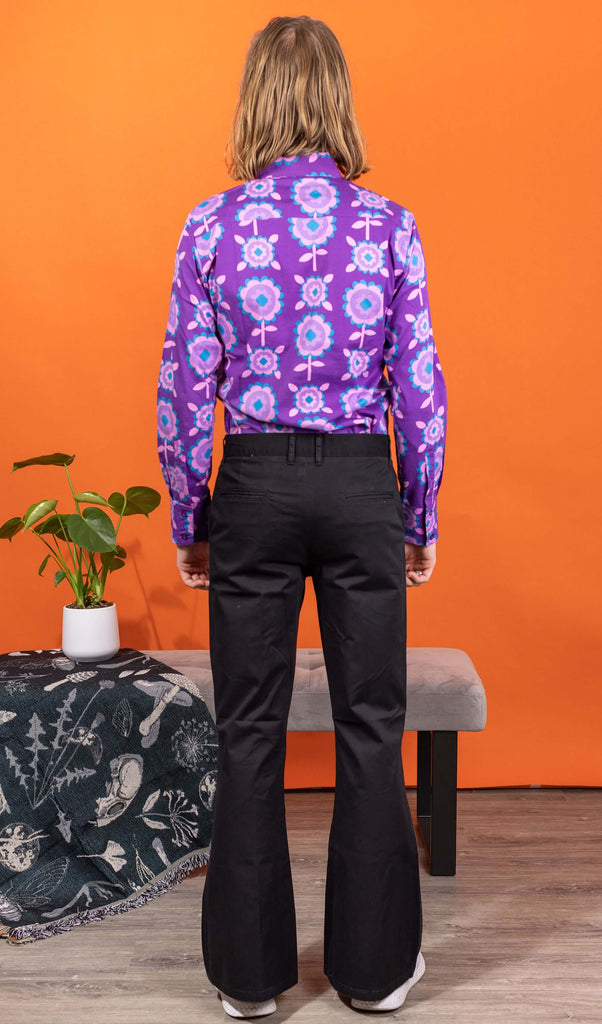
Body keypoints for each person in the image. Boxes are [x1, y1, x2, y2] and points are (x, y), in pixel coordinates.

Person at [156, 14, 447, 1018]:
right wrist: (418, 510)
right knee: (372, 727)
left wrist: (190, 512)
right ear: (337, 102)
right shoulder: (390, 225)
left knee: (247, 730)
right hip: (362, 482)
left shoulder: (208, 226)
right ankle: (371, 976)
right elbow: (419, 387)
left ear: (256, 101)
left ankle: (248, 980)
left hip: (257, 484)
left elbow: (186, 391)